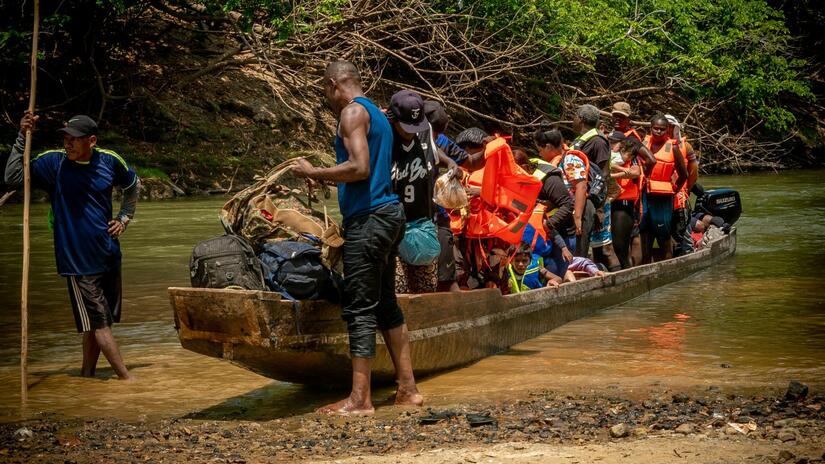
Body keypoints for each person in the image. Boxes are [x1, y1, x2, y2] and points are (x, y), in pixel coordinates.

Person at [291, 61, 422, 414]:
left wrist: (314, 171)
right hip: (391, 215)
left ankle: (359, 399)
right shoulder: (378, 114)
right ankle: (407, 389)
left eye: (324, 89)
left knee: (360, 308)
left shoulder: (351, 114)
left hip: (370, 219)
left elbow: (360, 167)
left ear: (334, 84)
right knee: (385, 304)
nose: (326, 97)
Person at [5, 113, 140, 380]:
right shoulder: (54, 163)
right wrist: (22, 136)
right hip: (77, 261)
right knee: (100, 324)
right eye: (65, 138)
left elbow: (133, 186)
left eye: (74, 140)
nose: (68, 144)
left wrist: (124, 218)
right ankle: (128, 380)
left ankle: (87, 376)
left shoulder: (110, 161)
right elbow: (13, 177)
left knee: (96, 323)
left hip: (108, 254)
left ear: (91, 140)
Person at [387, 90, 457, 294]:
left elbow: (435, 151)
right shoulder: (382, 135)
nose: (410, 132)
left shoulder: (424, 131)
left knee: (425, 290)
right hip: (392, 227)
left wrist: (450, 162)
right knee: (398, 291)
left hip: (422, 224)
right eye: (405, 127)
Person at [640, 113, 688, 263]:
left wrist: (674, 189)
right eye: (656, 129)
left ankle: (668, 262)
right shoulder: (643, 144)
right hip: (645, 195)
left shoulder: (673, 148)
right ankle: (645, 264)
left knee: (663, 233)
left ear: (667, 130)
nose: (659, 132)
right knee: (645, 232)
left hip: (663, 197)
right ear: (650, 128)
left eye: (662, 129)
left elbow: (684, 174)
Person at [531, 128, 576, 278]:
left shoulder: (550, 176)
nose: (538, 153)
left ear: (548, 147)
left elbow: (568, 203)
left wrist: (548, 225)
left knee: (558, 275)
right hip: (549, 235)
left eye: (539, 149)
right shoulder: (545, 168)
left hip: (562, 234)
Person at [569, 104, 610, 258]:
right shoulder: (581, 140)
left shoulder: (598, 141)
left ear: (581, 119)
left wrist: (598, 208)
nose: (572, 120)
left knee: (582, 244)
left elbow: (603, 174)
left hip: (588, 201)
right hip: (576, 198)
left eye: (574, 116)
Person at [665, 114, 700, 257]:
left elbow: (693, 172)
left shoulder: (685, 146)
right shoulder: (654, 145)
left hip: (679, 196)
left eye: (669, 126)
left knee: (683, 232)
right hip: (659, 195)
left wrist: (686, 189)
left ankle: (688, 254)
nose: (666, 129)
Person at [610, 137, 644, 269]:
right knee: (615, 244)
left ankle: (628, 271)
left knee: (620, 245)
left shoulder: (633, 159)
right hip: (611, 203)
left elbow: (635, 173)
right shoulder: (612, 156)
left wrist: (612, 175)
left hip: (623, 204)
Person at [611, 102, 656, 173]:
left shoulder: (631, 138)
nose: (618, 119)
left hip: (624, 181)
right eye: (615, 116)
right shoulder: (612, 133)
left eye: (621, 117)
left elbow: (651, 160)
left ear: (628, 119)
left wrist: (640, 175)